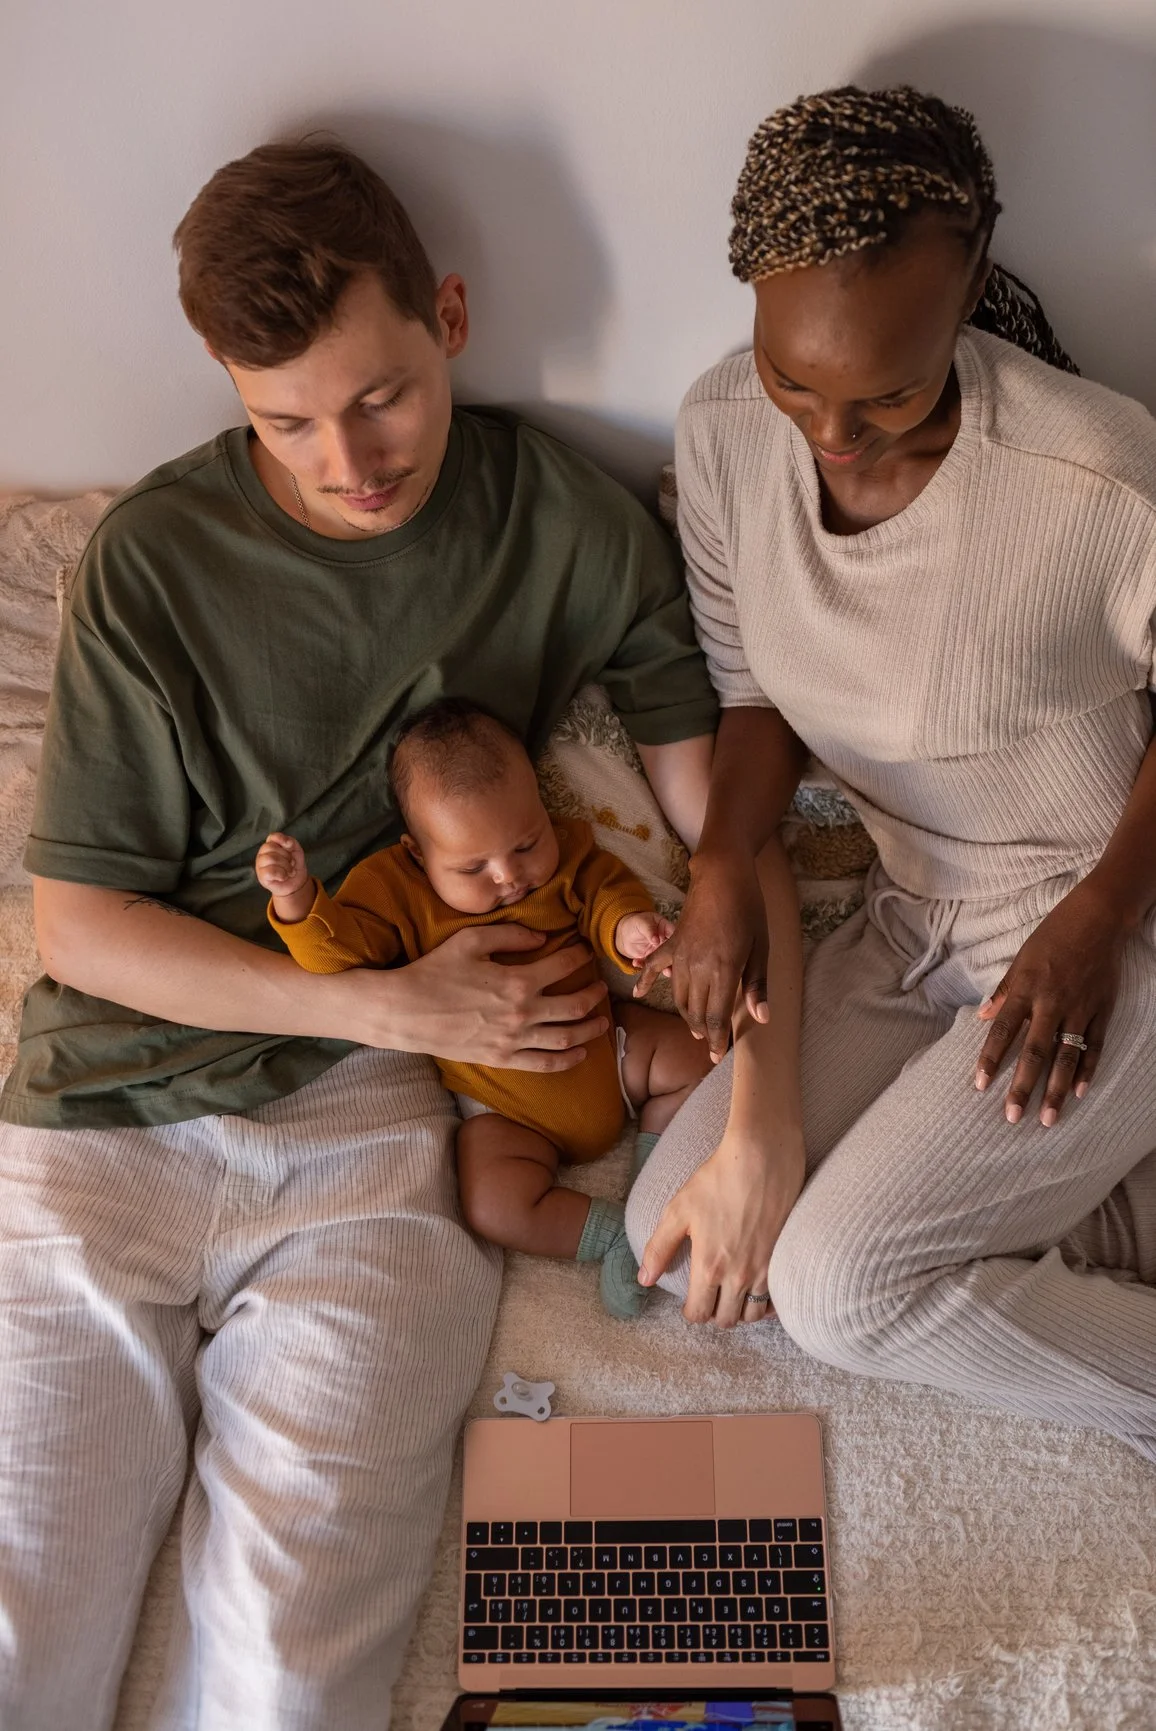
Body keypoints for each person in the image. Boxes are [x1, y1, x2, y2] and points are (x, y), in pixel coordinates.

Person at [0, 141, 718, 1729]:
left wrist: (705, 943)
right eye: (287, 422)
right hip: (110, 1112)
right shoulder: (154, 565)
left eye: (381, 395)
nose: (349, 461)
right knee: (17, 1613)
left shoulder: (559, 520)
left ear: (448, 315)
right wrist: (400, 1004)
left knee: (292, 1651)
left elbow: (710, 794)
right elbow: (84, 924)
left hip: (374, 1150)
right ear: (227, 384)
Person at [628, 86, 1156, 1462]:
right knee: (676, 1235)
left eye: (889, 393)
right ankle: (1084, 1195)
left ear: (970, 284)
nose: (834, 434)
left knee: (837, 1287)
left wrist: (1101, 915)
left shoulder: (1092, 475)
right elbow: (752, 694)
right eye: (796, 380)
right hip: (910, 913)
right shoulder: (724, 432)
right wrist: (723, 866)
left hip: (1106, 927)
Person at [256, 698, 711, 1318]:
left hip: (610, 1047)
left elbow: (603, 890)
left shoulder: (566, 855)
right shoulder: (396, 890)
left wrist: (627, 928)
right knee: (493, 1205)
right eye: (473, 867)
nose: (509, 877)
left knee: (696, 1053)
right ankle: (612, 1239)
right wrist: (299, 900)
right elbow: (339, 957)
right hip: (507, 1108)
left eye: (527, 844)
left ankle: (652, 1189)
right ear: (417, 854)